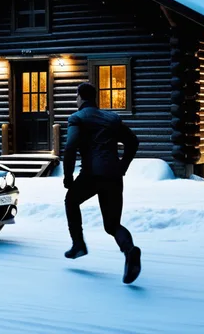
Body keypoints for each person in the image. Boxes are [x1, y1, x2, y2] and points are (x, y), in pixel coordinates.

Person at [62, 82, 141, 284]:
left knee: (71, 201)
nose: (76, 99)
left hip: (91, 175)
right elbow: (133, 142)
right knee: (113, 224)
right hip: (113, 176)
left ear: (80, 97)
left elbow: (70, 147)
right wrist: (122, 166)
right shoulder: (111, 118)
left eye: (76, 96)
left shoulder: (77, 118)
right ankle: (130, 251)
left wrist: (68, 176)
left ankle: (78, 244)